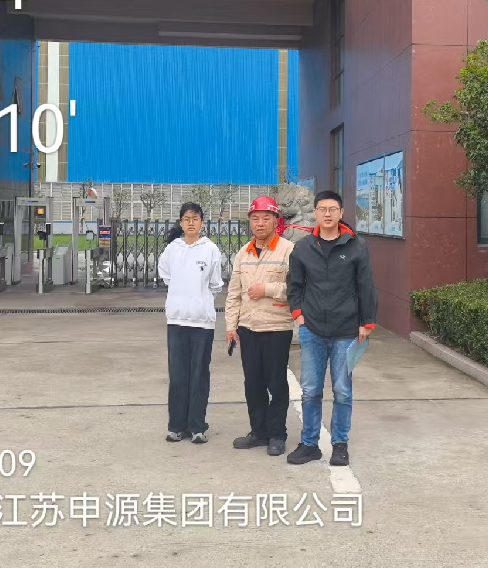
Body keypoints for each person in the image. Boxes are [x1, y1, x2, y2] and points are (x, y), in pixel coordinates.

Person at [286, 190, 378, 466]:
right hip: (312, 329)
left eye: (332, 209)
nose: (327, 214)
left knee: (342, 390)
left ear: (341, 213)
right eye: (322, 209)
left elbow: (365, 285)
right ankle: (309, 443)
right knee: (311, 390)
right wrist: (299, 314)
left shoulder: (356, 246)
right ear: (315, 213)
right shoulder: (304, 248)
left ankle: (340, 444)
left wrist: (367, 322)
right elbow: (294, 285)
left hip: (346, 330)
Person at [225, 196, 296, 456]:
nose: (260, 223)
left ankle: (277, 434)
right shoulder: (243, 253)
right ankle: (258, 431)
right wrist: (231, 326)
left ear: (276, 221)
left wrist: (266, 289)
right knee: (252, 383)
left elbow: (297, 289)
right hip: (248, 328)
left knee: (276, 383)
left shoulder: (288, 250)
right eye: (255, 218)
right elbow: (234, 293)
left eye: (266, 218)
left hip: (277, 328)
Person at [158, 202, 224, 444]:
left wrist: (198, 298)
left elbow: (215, 284)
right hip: (176, 320)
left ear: (202, 223)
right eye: (186, 219)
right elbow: (166, 275)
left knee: (198, 375)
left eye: (195, 219)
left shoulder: (210, 250)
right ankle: (176, 426)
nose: (191, 223)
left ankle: (197, 426)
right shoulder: (172, 250)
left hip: (202, 323)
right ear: (181, 222)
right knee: (177, 376)